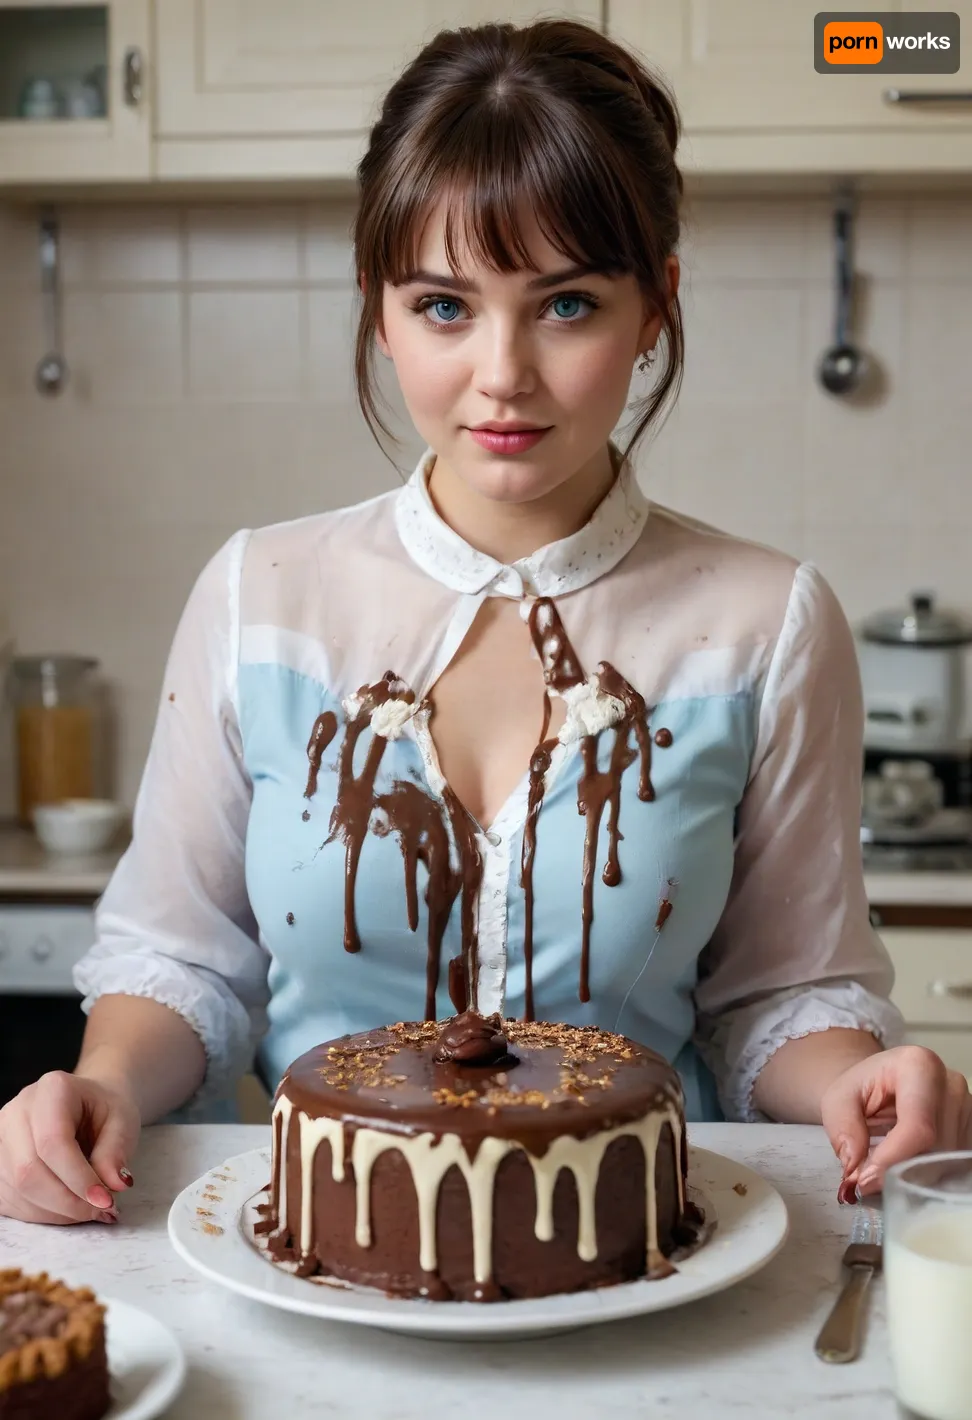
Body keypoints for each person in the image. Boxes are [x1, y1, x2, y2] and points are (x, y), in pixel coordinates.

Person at [1, 17, 968, 1230]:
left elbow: (785, 990)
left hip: (646, 1268)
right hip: (306, 1264)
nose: (502, 372)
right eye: (445, 305)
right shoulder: (262, 597)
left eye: (566, 305)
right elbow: (183, 961)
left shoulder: (766, 623)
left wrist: (862, 1079)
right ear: (379, 307)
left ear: (656, 303)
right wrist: (94, 1089)